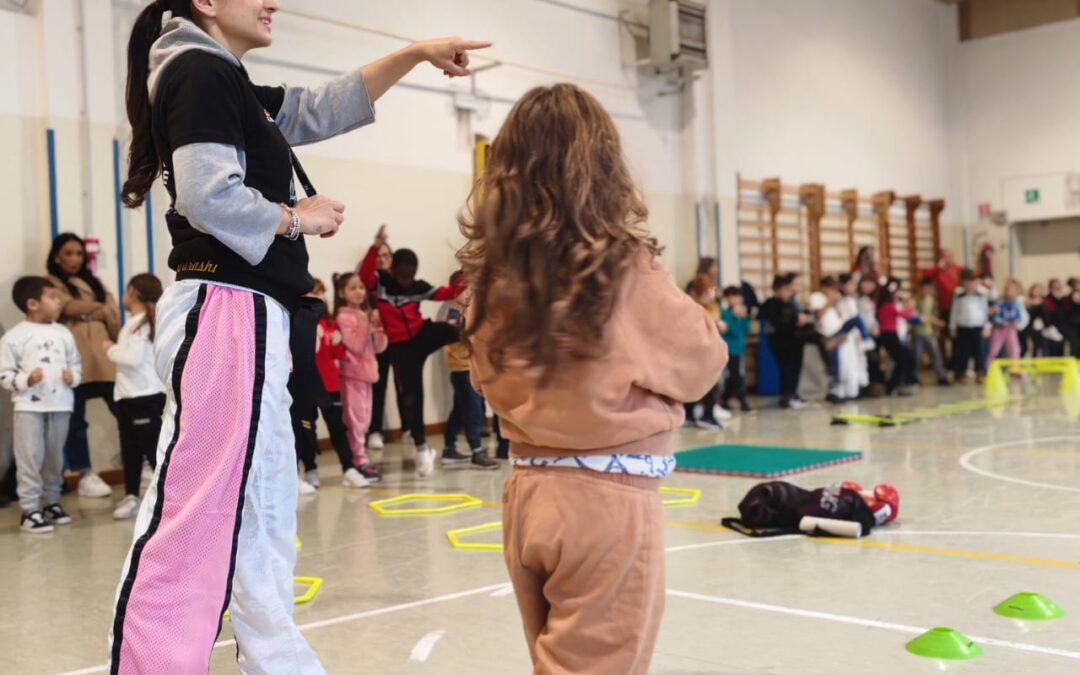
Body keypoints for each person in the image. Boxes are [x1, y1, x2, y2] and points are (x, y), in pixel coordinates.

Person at [108, 1, 491, 671]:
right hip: (225, 308)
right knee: (191, 518)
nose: (272, 2)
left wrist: (412, 54)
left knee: (264, 513)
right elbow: (205, 193)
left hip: (249, 315)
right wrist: (296, 217)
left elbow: (317, 108)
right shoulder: (197, 68)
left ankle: (277, 659)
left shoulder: (221, 76)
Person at [459, 83, 727, 675]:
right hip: (607, 501)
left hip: (529, 491)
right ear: (601, 166)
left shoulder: (491, 278)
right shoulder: (623, 267)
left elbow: (482, 376)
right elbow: (704, 363)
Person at [360, 225, 464, 477]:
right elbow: (365, 276)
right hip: (402, 349)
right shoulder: (382, 283)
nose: (407, 281)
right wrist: (375, 247)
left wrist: (466, 275)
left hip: (421, 335)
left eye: (411, 276)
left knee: (456, 331)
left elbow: (446, 292)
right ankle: (421, 448)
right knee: (413, 397)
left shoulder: (417, 286)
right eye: (403, 275)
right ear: (393, 268)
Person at [0, 277, 82, 533]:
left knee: (55, 458)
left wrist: (74, 377)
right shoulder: (14, 337)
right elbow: (4, 374)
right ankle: (30, 509)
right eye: (53, 297)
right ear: (33, 303)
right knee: (29, 458)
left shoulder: (63, 332)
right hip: (29, 409)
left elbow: (76, 364)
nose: (59, 301)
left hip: (61, 405)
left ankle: (53, 503)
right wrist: (26, 379)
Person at [46, 233, 120, 499]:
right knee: (76, 420)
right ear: (57, 255)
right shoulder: (51, 282)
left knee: (124, 410)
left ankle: (142, 460)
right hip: (73, 360)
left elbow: (112, 311)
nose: (74, 259)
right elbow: (65, 306)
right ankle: (85, 472)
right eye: (68, 253)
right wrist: (96, 310)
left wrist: (90, 311)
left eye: (79, 253)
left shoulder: (94, 282)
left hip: (103, 357)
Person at [105, 274, 167, 520]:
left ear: (133, 293)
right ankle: (132, 495)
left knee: (151, 449)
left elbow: (131, 359)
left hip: (145, 397)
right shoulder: (133, 323)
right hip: (127, 398)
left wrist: (107, 348)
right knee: (130, 449)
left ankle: (165, 499)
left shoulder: (144, 324)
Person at [307, 278, 369, 488]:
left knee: (337, 427)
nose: (320, 297)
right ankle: (310, 469)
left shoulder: (328, 322)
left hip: (330, 385)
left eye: (322, 292)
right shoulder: (299, 322)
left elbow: (338, 353)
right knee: (307, 430)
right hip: (307, 385)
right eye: (315, 292)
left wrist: (336, 342)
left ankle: (348, 468)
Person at [440, 274, 499, 469]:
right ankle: (477, 450)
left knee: (459, 409)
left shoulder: (471, 312)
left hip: (471, 367)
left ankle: (449, 447)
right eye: (468, 290)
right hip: (462, 368)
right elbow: (458, 336)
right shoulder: (454, 314)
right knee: (473, 410)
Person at [334, 272, 388, 484]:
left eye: (361, 288)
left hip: (367, 373)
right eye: (353, 288)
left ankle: (361, 457)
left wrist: (378, 328)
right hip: (351, 375)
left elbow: (379, 347)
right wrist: (366, 323)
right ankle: (358, 459)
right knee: (356, 420)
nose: (359, 292)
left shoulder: (365, 315)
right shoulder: (343, 316)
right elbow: (354, 345)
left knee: (365, 419)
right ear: (342, 293)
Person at [761, 274, 811, 408]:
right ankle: (786, 397)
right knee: (786, 369)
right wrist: (797, 321)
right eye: (786, 289)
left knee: (795, 368)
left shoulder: (790, 303)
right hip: (781, 342)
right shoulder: (771, 304)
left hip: (795, 341)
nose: (789, 293)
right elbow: (780, 323)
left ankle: (793, 394)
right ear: (778, 289)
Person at [364, 230, 394, 452]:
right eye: (378, 256)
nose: (382, 259)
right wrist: (374, 247)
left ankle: (412, 429)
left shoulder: (400, 279)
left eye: (385, 255)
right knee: (378, 386)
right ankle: (375, 430)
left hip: (402, 339)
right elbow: (365, 275)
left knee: (406, 387)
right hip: (379, 342)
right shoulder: (373, 281)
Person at [683, 274, 725, 428]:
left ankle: (704, 414)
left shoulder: (712, 306)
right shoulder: (688, 305)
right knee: (699, 383)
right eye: (710, 290)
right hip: (695, 351)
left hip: (710, 350)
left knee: (713, 383)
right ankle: (697, 415)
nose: (713, 293)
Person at [949, 269, 990, 383]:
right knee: (963, 352)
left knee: (980, 351)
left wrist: (987, 326)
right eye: (966, 283)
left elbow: (987, 311)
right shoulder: (959, 295)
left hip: (978, 326)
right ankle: (962, 373)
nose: (969, 285)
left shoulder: (982, 294)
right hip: (963, 327)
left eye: (971, 283)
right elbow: (954, 312)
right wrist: (953, 327)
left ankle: (981, 372)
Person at [876, 283, 915, 396]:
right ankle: (892, 385)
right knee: (900, 361)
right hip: (891, 335)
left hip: (884, 335)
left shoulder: (881, 306)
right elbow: (904, 315)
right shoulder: (889, 305)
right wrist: (910, 308)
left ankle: (892, 385)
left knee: (897, 360)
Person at [911, 277, 949, 385]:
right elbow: (911, 314)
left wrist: (936, 323)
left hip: (929, 333)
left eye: (928, 289)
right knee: (916, 357)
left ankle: (942, 377)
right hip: (917, 333)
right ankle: (914, 378)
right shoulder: (916, 300)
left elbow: (932, 315)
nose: (926, 291)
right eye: (924, 289)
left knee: (936, 355)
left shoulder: (932, 300)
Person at [720, 286, 751, 412]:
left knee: (735, 375)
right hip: (728, 348)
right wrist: (736, 317)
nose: (737, 299)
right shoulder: (725, 313)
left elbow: (746, 329)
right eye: (733, 296)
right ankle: (742, 399)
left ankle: (726, 398)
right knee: (735, 375)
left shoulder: (742, 313)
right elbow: (732, 330)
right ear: (727, 298)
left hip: (739, 348)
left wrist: (743, 317)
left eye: (738, 296)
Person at [986, 278, 1029, 370]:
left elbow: (1020, 315)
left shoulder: (1017, 303)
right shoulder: (1000, 302)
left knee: (1015, 349)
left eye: (1015, 290)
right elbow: (995, 316)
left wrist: (1018, 322)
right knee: (994, 349)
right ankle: (988, 368)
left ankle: (1015, 368)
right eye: (1009, 289)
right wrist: (1001, 321)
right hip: (1000, 329)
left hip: (1011, 330)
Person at [1023, 282, 1048, 357]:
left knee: (1042, 346)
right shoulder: (1027, 301)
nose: (1037, 292)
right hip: (1030, 327)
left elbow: (1046, 315)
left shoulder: (1043, 302)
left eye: (1039, 290)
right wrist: (1031, 303)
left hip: (1042, 328)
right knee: (1032, 346)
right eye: (1035, 290)